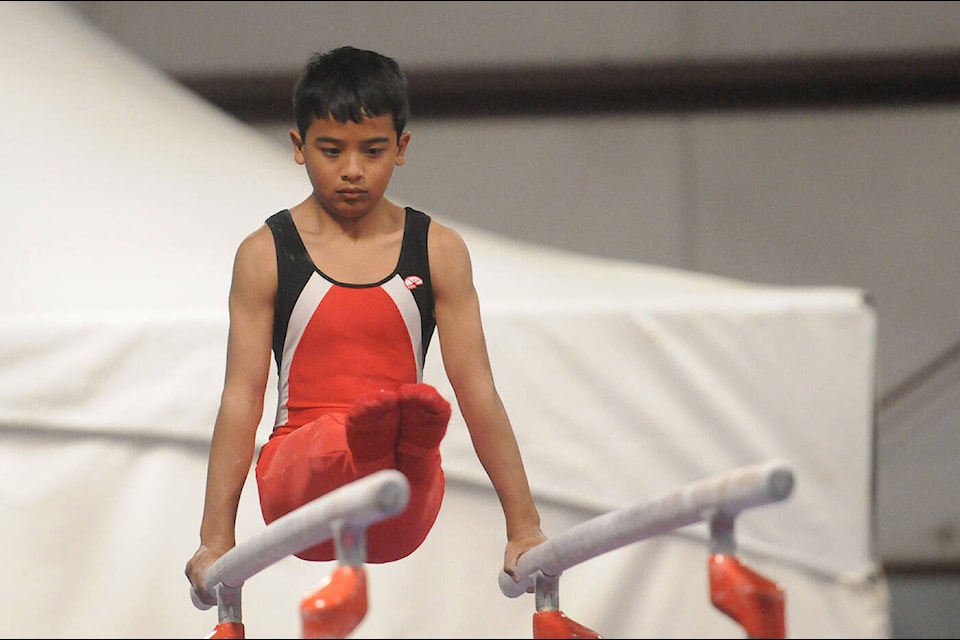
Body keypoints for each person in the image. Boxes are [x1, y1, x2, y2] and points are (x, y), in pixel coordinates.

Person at [185, 45, 547, 607]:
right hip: (298, 489)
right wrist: (216, 540)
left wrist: (524, 527)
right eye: (331, 151)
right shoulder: (266, 254)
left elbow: (478, 393)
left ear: (401, 148)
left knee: (415, 455)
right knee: (345, 438)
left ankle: (399, 446)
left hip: (397, 511)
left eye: (372, 151)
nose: (352, 170)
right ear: (298, 147)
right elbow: (241, 398)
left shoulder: (439, 251)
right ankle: (373, 440)